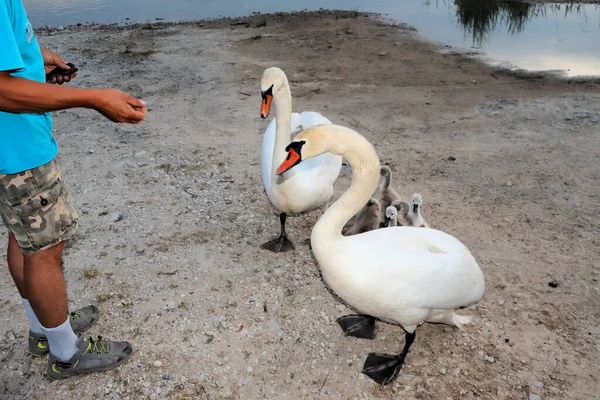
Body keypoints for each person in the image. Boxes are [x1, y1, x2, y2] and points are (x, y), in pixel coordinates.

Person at [0, 0, 147, 380]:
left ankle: (44, 329)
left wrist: (34, 60)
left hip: (10, 147)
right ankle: (66, 353)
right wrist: (91, 97)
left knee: (26, 239)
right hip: (19, 150)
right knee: (45, 249)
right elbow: (1, 90)